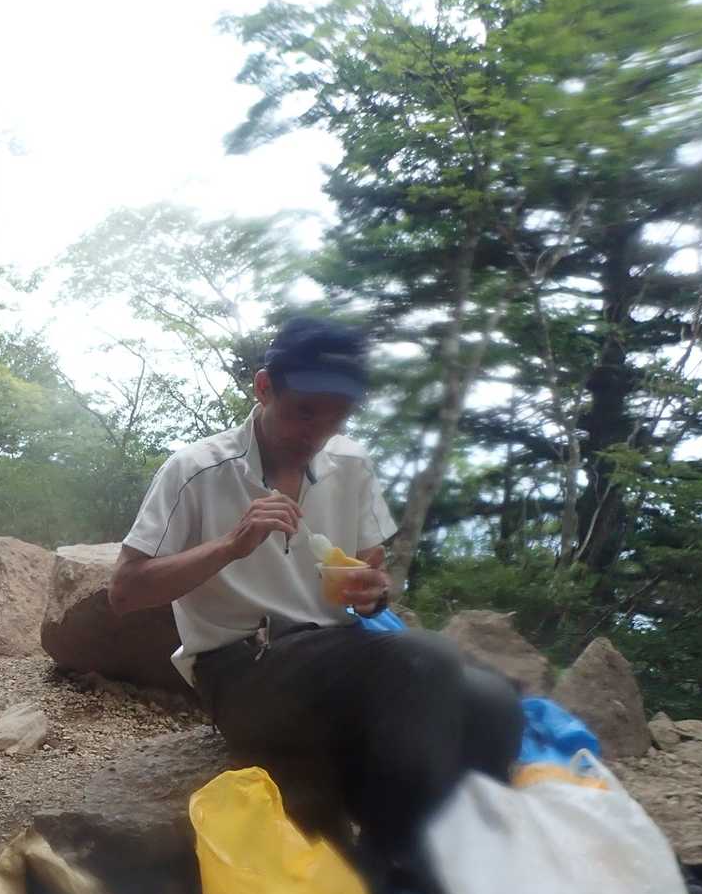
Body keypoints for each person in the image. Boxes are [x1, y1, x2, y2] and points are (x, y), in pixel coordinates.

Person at [109, 315, 523, 862]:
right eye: (304, 411)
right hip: (243, 668)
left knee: (494, 703)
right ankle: (391, 864)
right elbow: (125, 591)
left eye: (338, 415)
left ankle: (460, 856)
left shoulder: (350, 463)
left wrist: (372, 593)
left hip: (336, 655)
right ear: (264, 388)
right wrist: (230, 545)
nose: (318, 432)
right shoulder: (197, 470)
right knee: (426, 659)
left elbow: (372, 571)